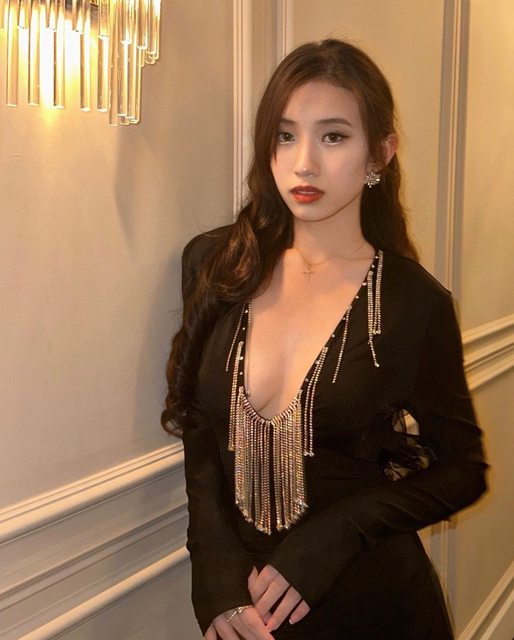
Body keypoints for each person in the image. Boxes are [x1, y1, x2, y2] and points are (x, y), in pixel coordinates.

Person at [161, 39, 488, 640]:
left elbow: (465, 469)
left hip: (373, 604)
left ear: (380, 154)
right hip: (244, 611)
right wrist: (213, 573)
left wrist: (338, 532)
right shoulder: (217, 265)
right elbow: (201, 435)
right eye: (285, 136)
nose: (303, 163)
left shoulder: (414, 303)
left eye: (333, 136)